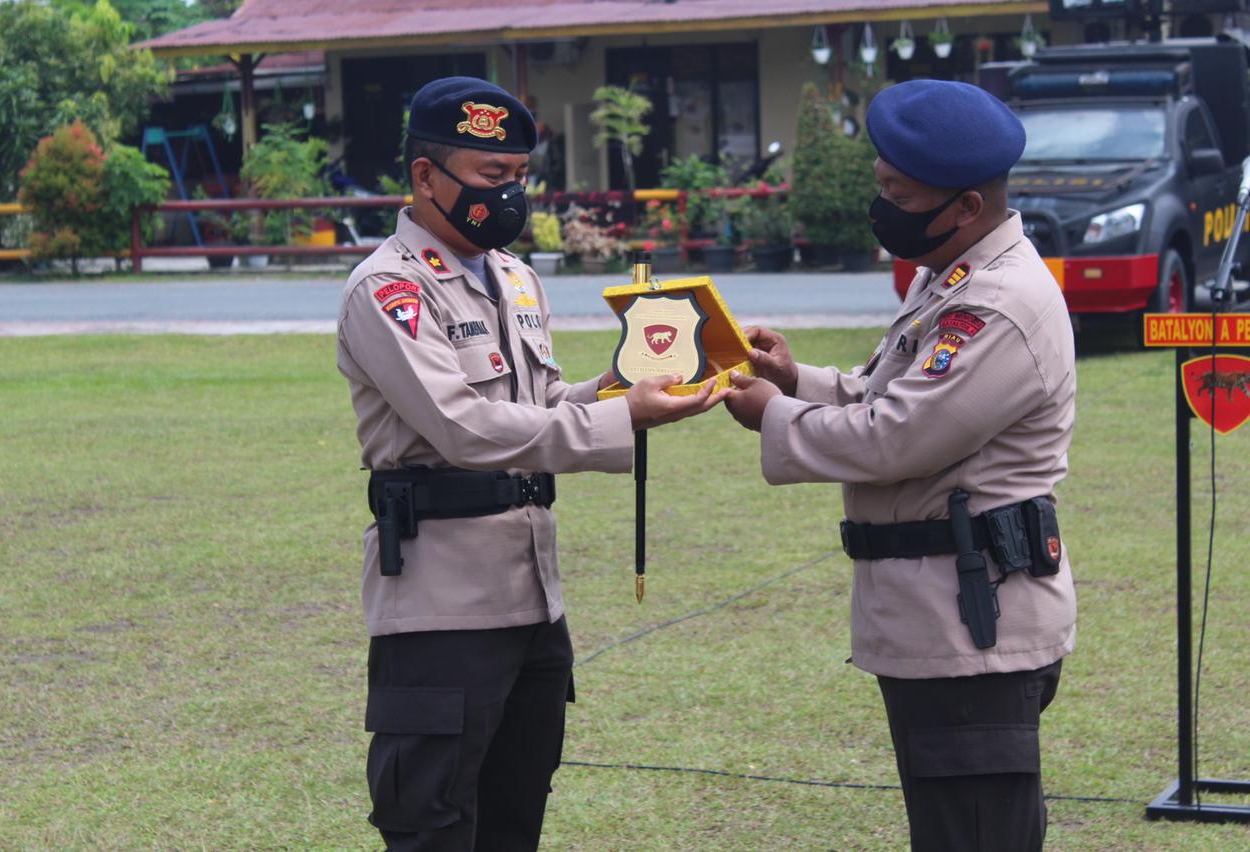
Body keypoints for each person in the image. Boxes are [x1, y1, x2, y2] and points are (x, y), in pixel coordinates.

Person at [336, 76, 725, 850]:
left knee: (516, 814)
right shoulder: (389, 289)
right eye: (491, 178)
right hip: (442, 604)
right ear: (425, 177)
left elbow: (544, 401)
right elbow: (465, 428)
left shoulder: (513, 277)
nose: (511, 195)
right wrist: (620, 417)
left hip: (532, 599)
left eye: (519, 177)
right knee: (434, 822)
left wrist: (626, 383)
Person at [724, 79, 1077, 851]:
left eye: (897, 190)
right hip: (936, 615)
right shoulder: (949, 275)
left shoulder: (998, 304)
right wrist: (796, 381)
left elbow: (895, 438)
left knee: (975, 834)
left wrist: (772, 417)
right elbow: (889, 390)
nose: (881, 204)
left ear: (965, 208)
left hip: (972, 627)